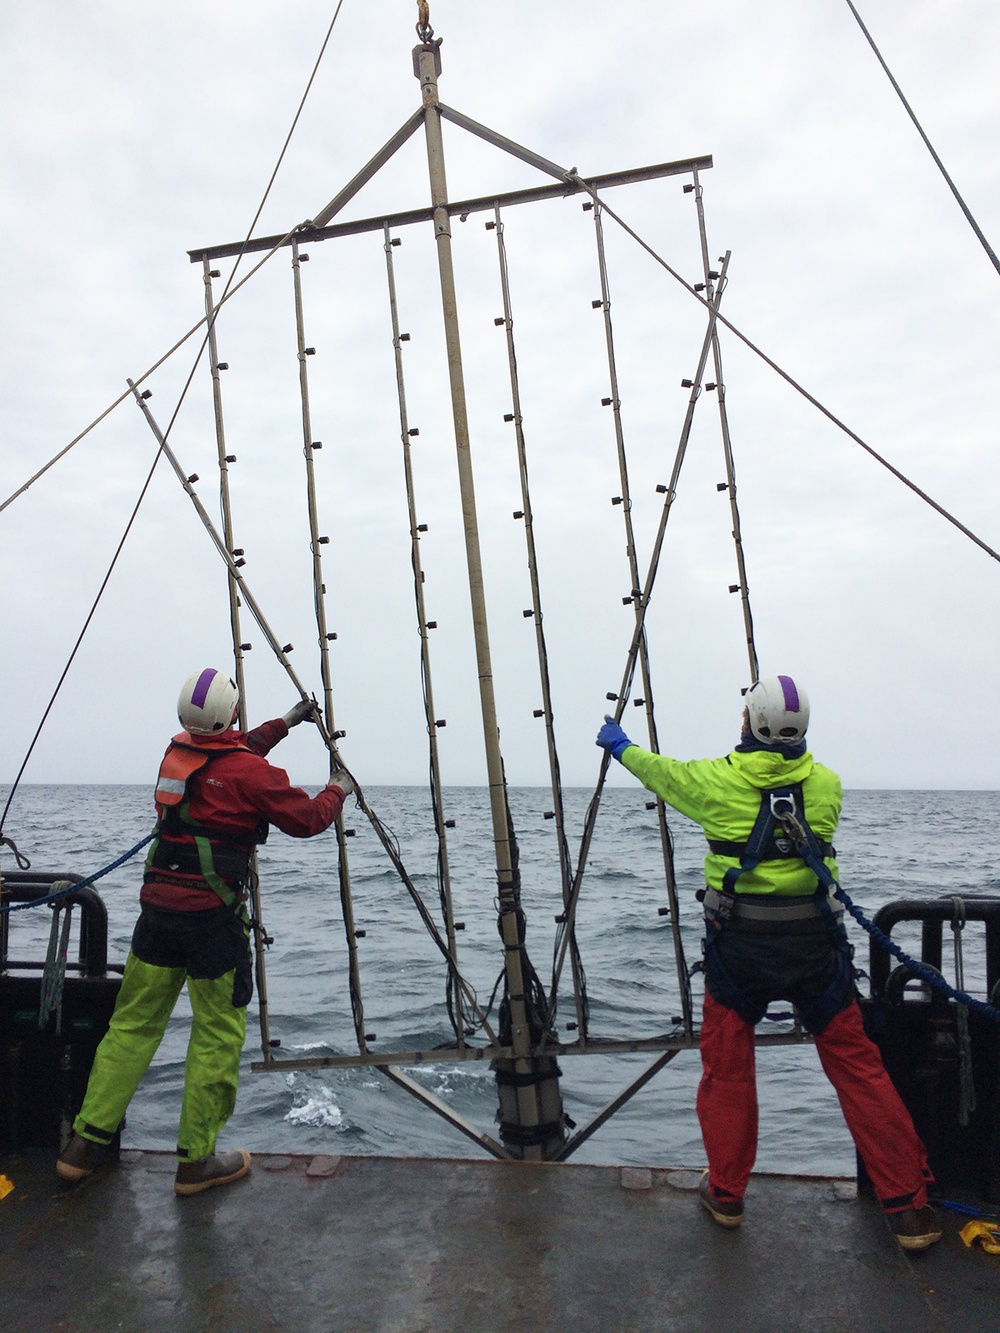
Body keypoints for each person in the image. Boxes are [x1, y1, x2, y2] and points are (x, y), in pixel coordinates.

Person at [596, 674, 941, 1251]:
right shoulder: (827, 784)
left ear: (747, 723)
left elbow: (658, 771)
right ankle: (910, 1208)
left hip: (739, 952)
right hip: (816, 949)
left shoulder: (712, 782)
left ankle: (727, 1195)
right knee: (860, 1072)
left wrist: (619, 743)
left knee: (727, 1072)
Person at [57, 667, 353, 1196]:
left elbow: (230, 752)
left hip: (156, 914)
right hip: (212, 924)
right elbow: (305, 819)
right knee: (216, 1035)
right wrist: (337, 790)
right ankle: (195, 1163)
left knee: (130, 1028)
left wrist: (287, 721)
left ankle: (83, 1146)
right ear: (231, 713)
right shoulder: (250, 775)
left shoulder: (177, 756)